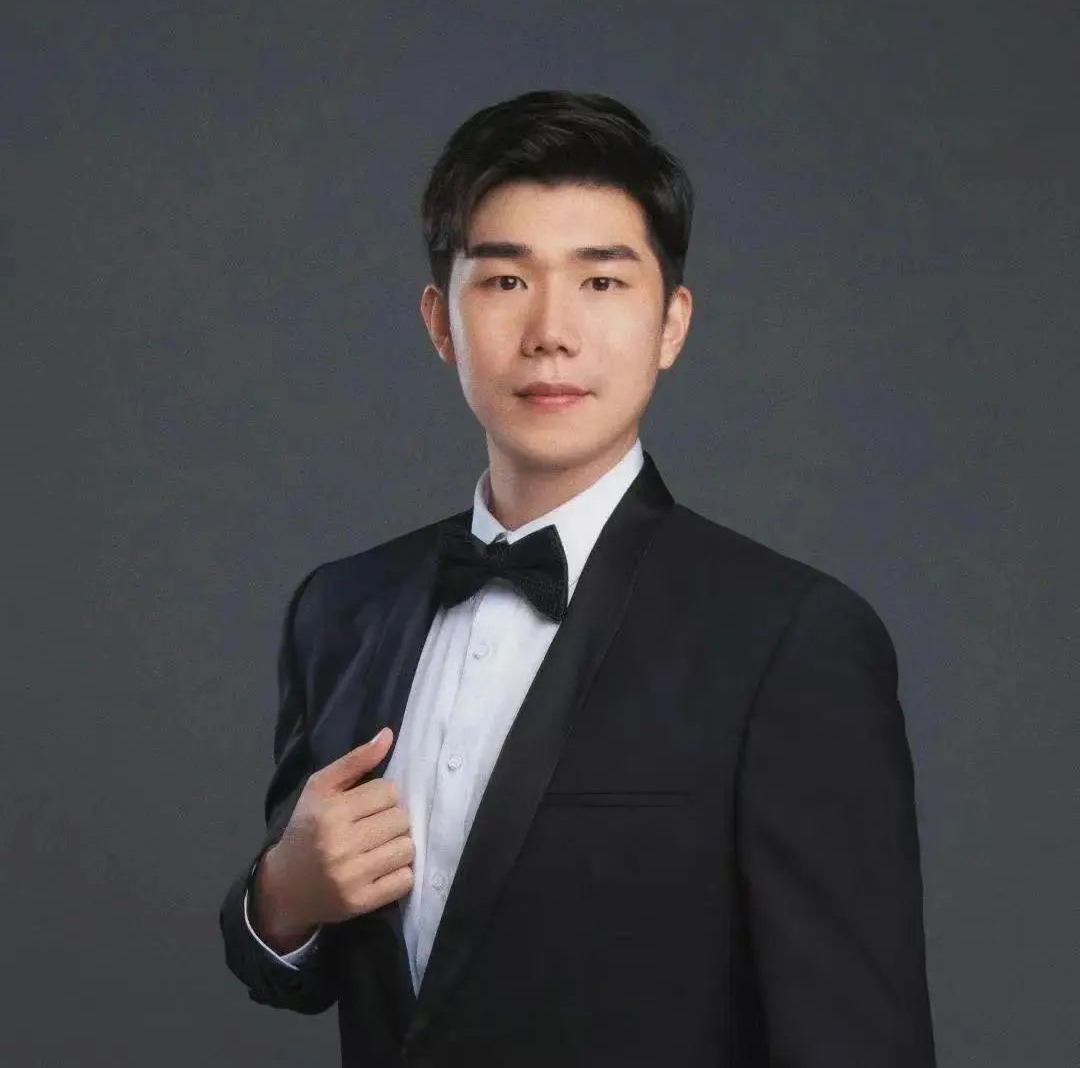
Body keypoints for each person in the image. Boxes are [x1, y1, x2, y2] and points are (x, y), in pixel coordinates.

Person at [218, 89, 937, 1067]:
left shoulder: (792, 638)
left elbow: (858, 1041)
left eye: (601, 282)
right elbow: (293, 967)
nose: (550, 330)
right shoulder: (340, 610)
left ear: (672, 323)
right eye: (505, 280)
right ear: (440, 321)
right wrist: (283, 895)